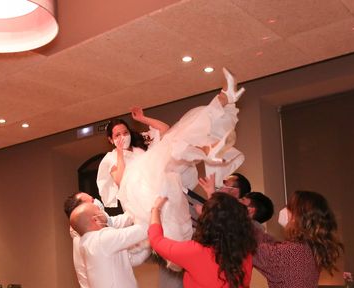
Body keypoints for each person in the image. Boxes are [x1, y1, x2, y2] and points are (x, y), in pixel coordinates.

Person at [97, 68, 246, 247]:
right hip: (143, 191)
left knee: (178, 135)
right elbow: (121, 180)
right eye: (117, 135)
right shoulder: (111, 158)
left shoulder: (141, 147)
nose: (123, 137)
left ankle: (223, 104)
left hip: (164, 178)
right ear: (110, 140)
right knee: (172, 145)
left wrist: (143, 118)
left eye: (125, 132)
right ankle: (209, 145)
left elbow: (165, 129)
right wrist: (120, 153)